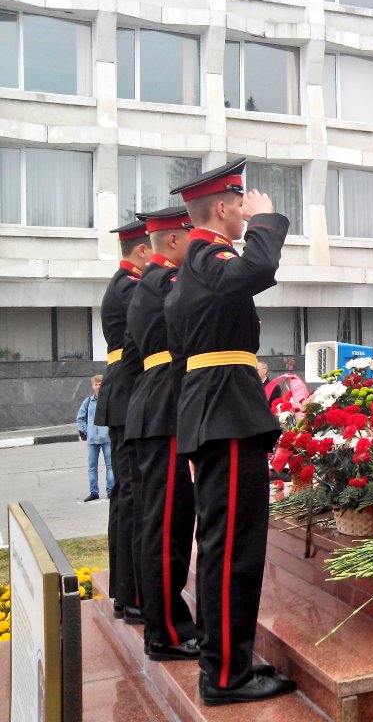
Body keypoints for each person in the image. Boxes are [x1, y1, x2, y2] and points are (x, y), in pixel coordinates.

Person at [167, 158, 296, 705]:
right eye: (242, 205)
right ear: (222, 208)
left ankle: (226, 665)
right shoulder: (207, 255)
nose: (247, 212)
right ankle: (225, 676)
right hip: (226, 410)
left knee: (227, 543)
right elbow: (256, 269)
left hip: (217, 407)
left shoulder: (194, 265)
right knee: (232, 548)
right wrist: (268, 220)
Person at [124, 206, 199, 662]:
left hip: (152, 406)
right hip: (164, 408)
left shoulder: (148, 280)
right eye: (192, 236)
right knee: (168, 525)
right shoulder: (167, 280)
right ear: (173, 241)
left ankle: (162, 624)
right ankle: (168, 631)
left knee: (158, 523)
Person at [94, 219, 150, 625]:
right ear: (143, 251)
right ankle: (132, 595)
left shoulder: (124, 283)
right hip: (129, 393)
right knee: (132, 497)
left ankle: (126, 590)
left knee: (127, 496)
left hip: (125, 393)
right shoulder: (130, 287)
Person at [76, 374, 113, 502]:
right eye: (95, 384)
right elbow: (80, 418)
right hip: (92, 440)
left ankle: (111, 491)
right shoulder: (88, 402)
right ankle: (94, 492)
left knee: (110, 466)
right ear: (92, 386)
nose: (98, 386)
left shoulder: (109, 401)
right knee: (92, 467)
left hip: (107, 438)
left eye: (100, 384)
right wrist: (87, 431)